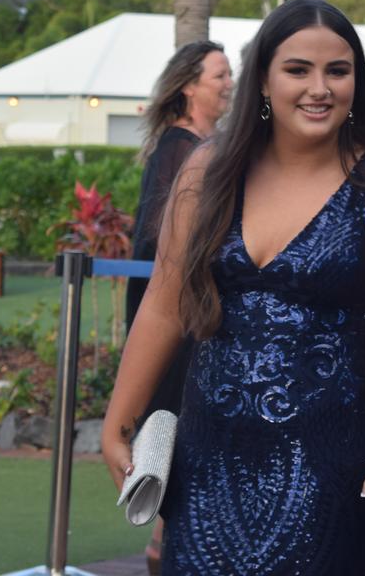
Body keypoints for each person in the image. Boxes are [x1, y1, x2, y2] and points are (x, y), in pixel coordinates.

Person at [100, 0, 365, 575]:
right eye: (298, 70)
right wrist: (119, 420)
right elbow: (165, 304)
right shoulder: (208, 171)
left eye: (337, 71)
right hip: (206, 463)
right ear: (263, 78)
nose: (320, 88)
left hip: (329, 472)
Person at [121, 40, 232, 575]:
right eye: (219, 76)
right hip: (178, 319)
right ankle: (163, 551)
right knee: (171, 434)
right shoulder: (178, 150)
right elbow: (160, 240)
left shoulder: (211, 144)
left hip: (197, 315)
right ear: (189, 85)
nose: (228, 83)